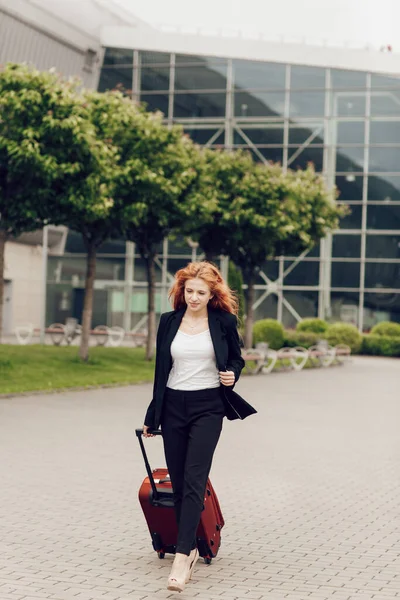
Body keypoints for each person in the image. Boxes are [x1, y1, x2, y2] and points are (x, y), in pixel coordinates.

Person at [142, 260, 257, 592]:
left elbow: (236, 358)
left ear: (212, 294)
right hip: (174, 407)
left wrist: (232, 375)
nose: (193, 297)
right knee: (178, 483)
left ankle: (181, 556)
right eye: (189, 291)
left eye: (200, 293)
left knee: (194, 480)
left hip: (208, 407)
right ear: (182, 291)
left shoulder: (222, 321)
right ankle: (190, 545)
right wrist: (154, 415)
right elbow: (161, 372)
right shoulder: (169, 322)